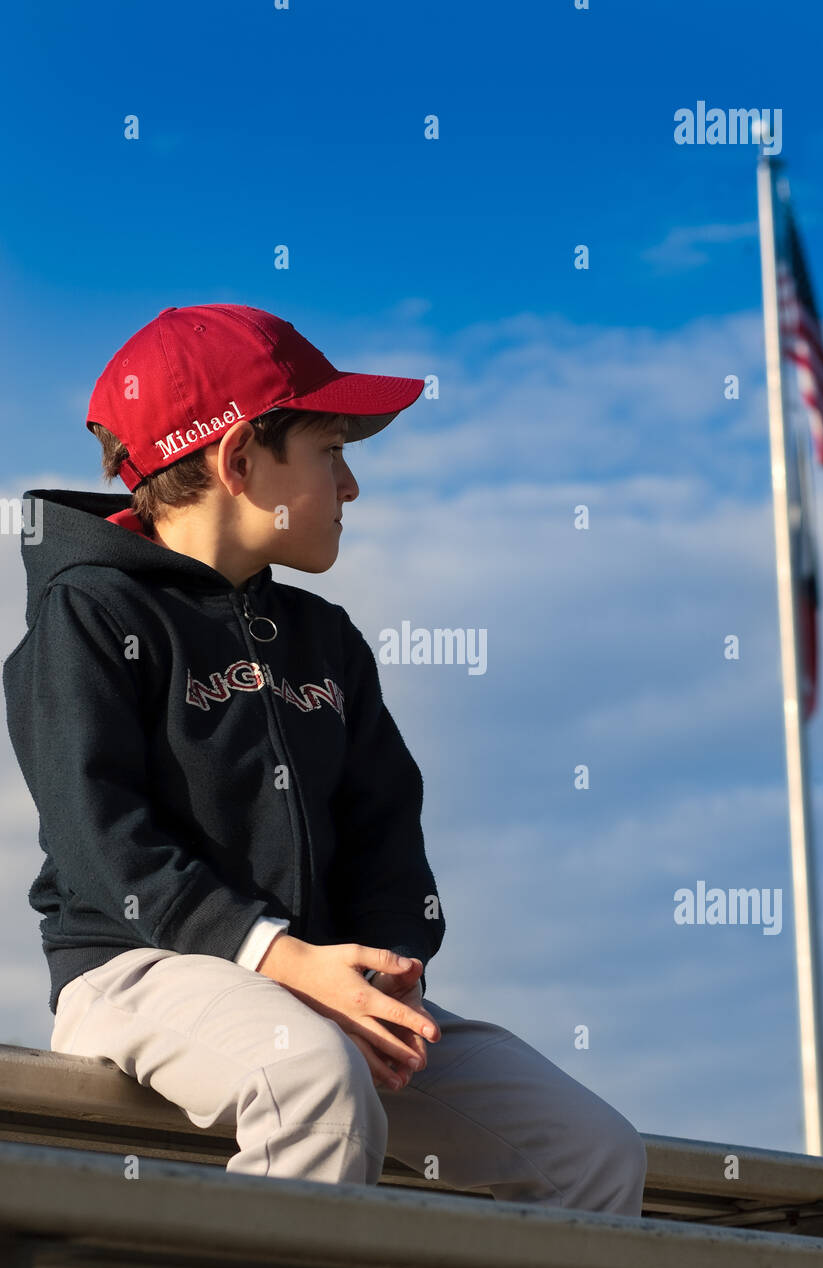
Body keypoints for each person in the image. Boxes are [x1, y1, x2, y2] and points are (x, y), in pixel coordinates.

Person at [2, 303, 646, 1214]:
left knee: (592, 1152)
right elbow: (103, 843)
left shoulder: (326, 639)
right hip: (134, 970)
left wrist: (384, 965)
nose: (350, 487)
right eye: (330, 451)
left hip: (323, 993)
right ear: (237, 460)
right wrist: (279, 958)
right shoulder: (88, 615)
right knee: (313, 1083)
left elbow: (386, 827)